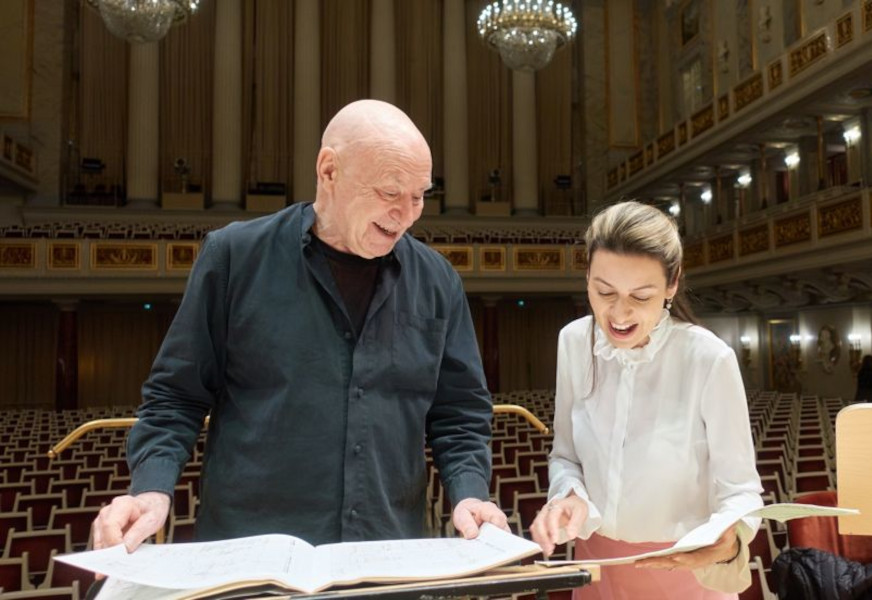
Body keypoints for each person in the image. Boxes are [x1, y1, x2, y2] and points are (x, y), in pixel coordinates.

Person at [92, 99, 507, 553]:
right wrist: (151, 487)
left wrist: (470, 491)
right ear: (329, 170)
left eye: (420, 195)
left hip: (387, 551)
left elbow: (460, 412)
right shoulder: (234, 257)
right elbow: (176, 395)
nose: (406, 214)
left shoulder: (438, 279)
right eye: (390, 192)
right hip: (251, 554)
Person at [529, 201, 763, 599]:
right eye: (604, 291)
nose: (618, 313)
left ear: (672, 285)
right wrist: (567, 496)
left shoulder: (709, 358)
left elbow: (741, 490)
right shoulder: (573, 341)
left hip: (685, 572)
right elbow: (566, 456)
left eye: (641, 296)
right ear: (587, 276)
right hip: (598, 567)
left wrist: (732, 534)